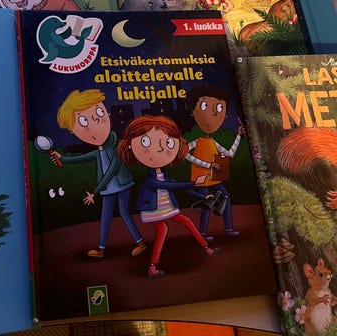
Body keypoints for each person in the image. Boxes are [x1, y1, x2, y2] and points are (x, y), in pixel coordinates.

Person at [118, 114, 219, 277]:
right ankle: (152, 267)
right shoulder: (151, 179)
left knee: (185, 221)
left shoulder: (163, 173)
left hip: (166, 206)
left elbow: (175, 186)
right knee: (163, 229)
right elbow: (169, 186)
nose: (159, 149)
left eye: (168, 143)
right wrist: (193, 183)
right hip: (153, 209)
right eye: (146, 142)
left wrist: (202, 197)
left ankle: (207, 249)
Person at [51, 88, 146, 258]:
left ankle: (140, 242)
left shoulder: (114, 146)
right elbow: (82, 158)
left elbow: (112, 170)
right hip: (108, 188)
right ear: (73, 131)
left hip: (122, 184)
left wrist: (95, 192)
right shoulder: (99, 151)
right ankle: (101, 249)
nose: (95, 120)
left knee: (124, 212)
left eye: (100, 112)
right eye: (83, 121)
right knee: (105, 215)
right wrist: (62, 158)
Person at [185, 84, 244, 242]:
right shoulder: (197, 141)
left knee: (226, 196)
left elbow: (229, 154)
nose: (213, 114)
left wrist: (238, 136)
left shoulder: (213, 142)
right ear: (193, 112)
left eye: (219, 108)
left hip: (214, 177)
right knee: (207, 203)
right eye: (205, 106)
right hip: (201, 178)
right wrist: (208, 165)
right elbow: (186, 155)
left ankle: (229, 229)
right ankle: (202, 234)